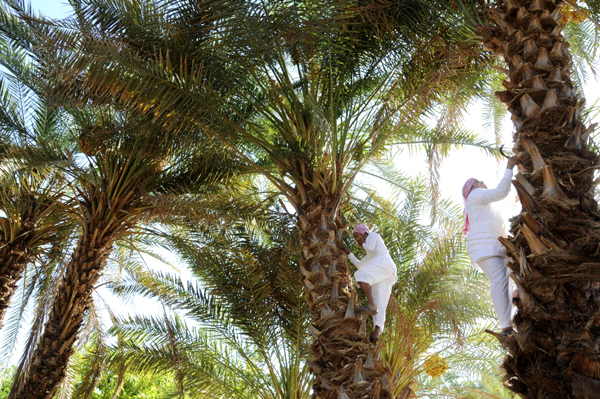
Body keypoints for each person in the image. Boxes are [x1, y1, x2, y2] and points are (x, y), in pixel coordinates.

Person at [462, 156, 519, 336]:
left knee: (508, 274)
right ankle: (506, 326)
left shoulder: (485, 204)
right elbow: (501, 192)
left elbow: (505, 203)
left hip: (495, 246)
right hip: (485, 246)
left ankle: (515, 298)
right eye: (479, 181)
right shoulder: (475, 195)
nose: (483, 182)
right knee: (499, 280)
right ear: (471, 188)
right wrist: (509, 167)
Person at [343, 224, 397, 342]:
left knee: (360, 275)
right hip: (387, 273)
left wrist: (362, 243)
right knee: (380, 302)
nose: (357, 240)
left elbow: (371, 247)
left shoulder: (373, 235)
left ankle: (370, 304)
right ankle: (377, 332)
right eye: (355, 238)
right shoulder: (371, 254)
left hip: (385, 264)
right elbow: (359, 265)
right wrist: (348, 253)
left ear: (364, 233)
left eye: (357, 236)